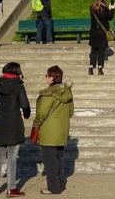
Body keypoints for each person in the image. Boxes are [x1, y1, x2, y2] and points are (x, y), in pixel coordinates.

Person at [0, 62, 31, 198]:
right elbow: (25, 105)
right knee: (12, 158)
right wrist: (26, 115)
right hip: (14, 124)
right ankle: (11, 188)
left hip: (1, 123)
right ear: (17, 71)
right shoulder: (19, 86)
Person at [32, 65, 74, 195]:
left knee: (50, 161)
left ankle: (53, 188)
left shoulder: (48, 94)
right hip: (61, 131)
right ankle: (60, 183)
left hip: (49, 132)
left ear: (51, 78)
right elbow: (71, 112)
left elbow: (41, 113)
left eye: (47, 75)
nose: (46, 78)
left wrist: (36, 124)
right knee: (59, 158)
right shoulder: (67, 92)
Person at [88, 0, 115, 74]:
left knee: (93, 50)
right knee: (101, 51)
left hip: (93, 32)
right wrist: (112, 9)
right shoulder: (104, 9)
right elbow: (110, 18)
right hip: (102, 33)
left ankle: (91, 68)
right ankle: (100, 68)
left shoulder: (92, 8)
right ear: (103, 0)